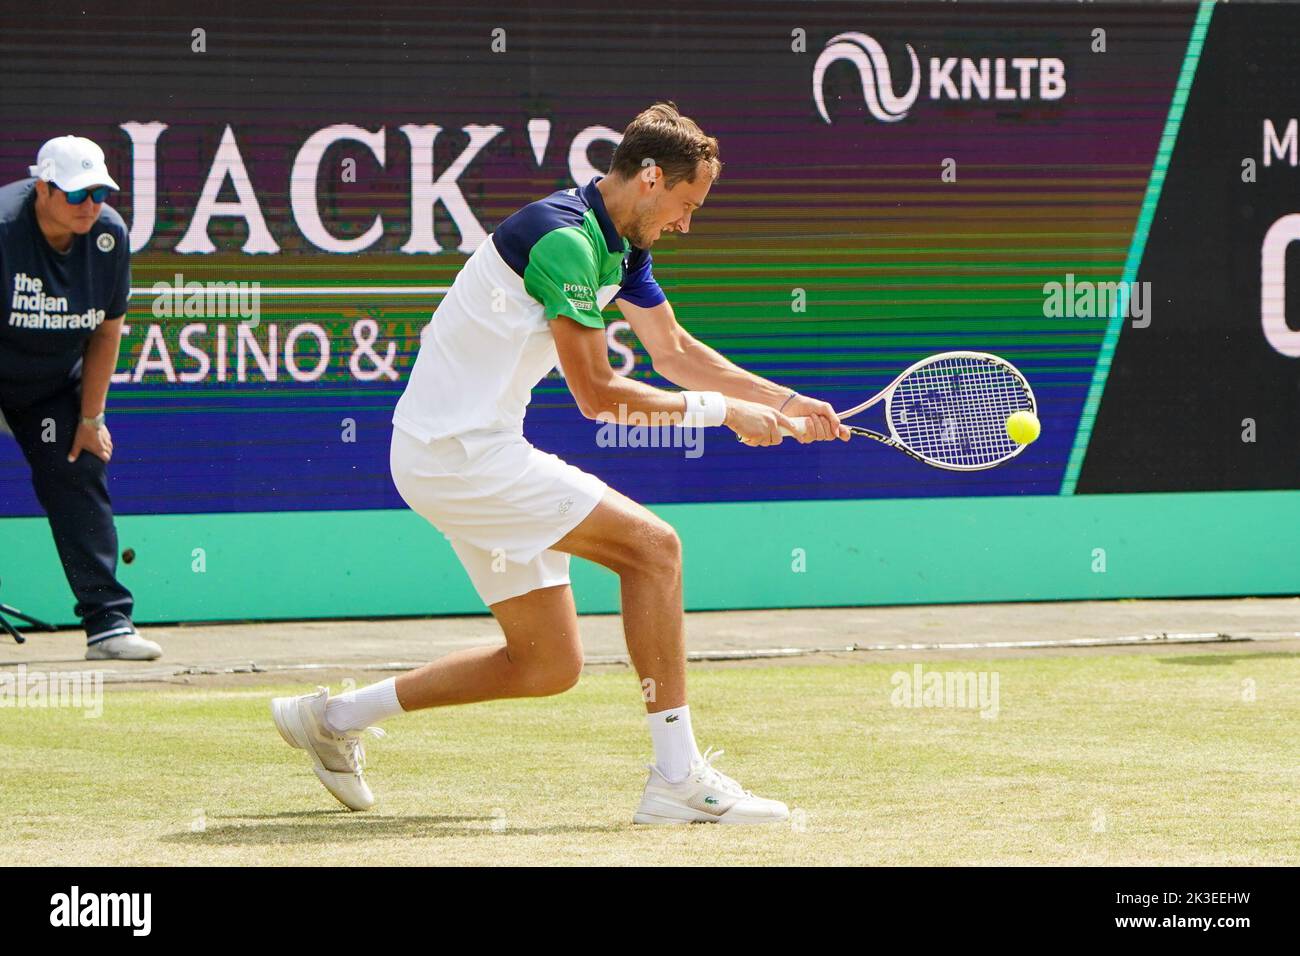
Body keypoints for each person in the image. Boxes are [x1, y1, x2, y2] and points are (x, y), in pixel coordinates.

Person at [272, 103, 845, 823]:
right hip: (459, 457)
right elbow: (599, 395)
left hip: (452, 455)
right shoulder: (563, 240)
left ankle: (332, 719)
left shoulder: (622, 245)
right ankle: (676, 780)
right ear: (647, 178)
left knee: (545, 664)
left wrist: (788, 404)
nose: (687, 224)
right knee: (654, 551)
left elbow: (675, 353)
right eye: (685, 204)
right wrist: (725, 413)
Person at [0, 136, 161, 661]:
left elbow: (107, 332)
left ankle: (108, 624)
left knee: (79, 464)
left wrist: (91, 417)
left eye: (99, 192)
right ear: (42, 188)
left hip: (49, 381)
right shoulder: (4, 228)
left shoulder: (108, 235)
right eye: (76, 194)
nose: (90, 205)